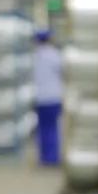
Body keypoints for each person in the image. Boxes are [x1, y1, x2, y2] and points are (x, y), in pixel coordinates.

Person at [32, 29, 64, 166]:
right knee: (52, 128)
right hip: (54, 97)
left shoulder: (35, 56)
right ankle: (52, 157)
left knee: (43, 129)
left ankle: (44, 157)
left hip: (40, 98)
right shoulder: (55, 55)